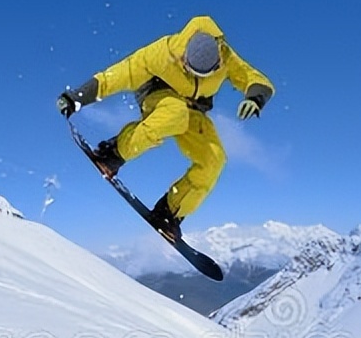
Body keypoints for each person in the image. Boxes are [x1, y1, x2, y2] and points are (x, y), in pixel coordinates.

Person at [57, 15, 274, 241]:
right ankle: (113, 153)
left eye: (208, 72)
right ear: (183, 59)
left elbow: (254, 78)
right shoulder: (163, 52)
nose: (199, 76)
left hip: (194, 108)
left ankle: (170, 212)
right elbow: (121, 74)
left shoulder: (226, 56)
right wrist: (76, 97)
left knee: (214, 158)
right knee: (174, 113)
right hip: (158, 96)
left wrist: (255, 98)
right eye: (192, 70)